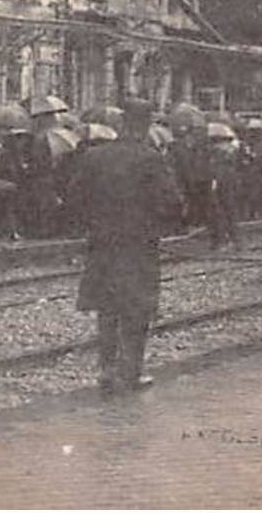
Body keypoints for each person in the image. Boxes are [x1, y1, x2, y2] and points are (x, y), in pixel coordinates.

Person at [69, 98, 181, 394]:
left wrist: (92, 223)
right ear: (145, 125)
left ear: (121, 123)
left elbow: (74, 196)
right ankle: (131, 371)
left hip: (102, 243)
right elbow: (172, 202)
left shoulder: (95, 157)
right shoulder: (150, 158)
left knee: (107, 308)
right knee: (137, 309)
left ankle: (106, 369)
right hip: (138, 245)